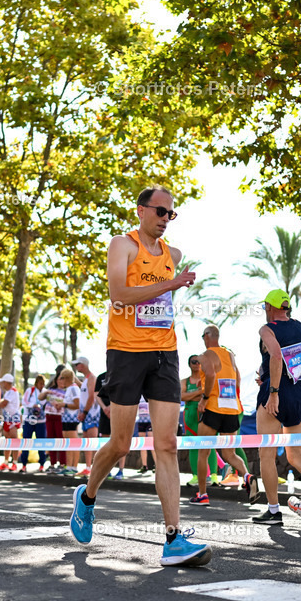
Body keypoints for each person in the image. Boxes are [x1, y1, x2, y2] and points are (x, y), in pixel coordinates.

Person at [70, 185, 211, 567]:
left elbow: (159, 301)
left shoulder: (174, 255)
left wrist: (171, 283)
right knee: (120, 444)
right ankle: (87, 496)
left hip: (165, 352)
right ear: (141, 210)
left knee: (167, 444)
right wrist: (173, 283)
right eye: (160, 212)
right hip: (126, 353)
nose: (165, 219)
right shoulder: (123, 245)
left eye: (171, 214)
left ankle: (173, 539)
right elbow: (119, 294)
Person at [241, 290, 301, 525]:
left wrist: (273, 391)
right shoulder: (298, 326)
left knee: (266, 454)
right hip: (299, 391)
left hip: (275, 394)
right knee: (295, 455)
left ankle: (274, 511)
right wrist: (265, 373)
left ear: (269, 306)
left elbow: (277, 356)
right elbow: (294, 357)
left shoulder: (266, 329)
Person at [190, 325, 256, 507]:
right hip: (232, 408)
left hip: (213, 408)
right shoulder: (229, 354)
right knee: (229, 453)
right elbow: (238, 377)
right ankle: (247, 476)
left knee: (203, 452)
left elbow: (210, 374)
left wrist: (204, 398)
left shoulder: (205, 355)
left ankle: (202, 495)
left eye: (203, 336)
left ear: (206, 337)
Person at [181, 355, 216, 486]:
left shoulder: (207, 378)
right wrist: (200, 392)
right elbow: (181, 396)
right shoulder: (185, 381)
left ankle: (213, 475)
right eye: (193, 362)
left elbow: (211, 393)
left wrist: (194, 395)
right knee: (193, 446)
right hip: (190, 414)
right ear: (189, 364)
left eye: (198, 361)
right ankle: (196, 475)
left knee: (209, 444)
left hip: (206, 412)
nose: (196, 364)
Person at [95, 371, 126, 480]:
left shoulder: (121, 375)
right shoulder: (101, 377)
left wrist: (112, 407)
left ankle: (120, 470)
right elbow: (96, 394)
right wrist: (104, 407)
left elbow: (124, 394)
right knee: (104, 441)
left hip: (119, 412)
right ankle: (106, 470)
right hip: (105, 414)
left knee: (122, 441)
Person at [73, 358, 99, 477]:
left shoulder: (92, 378)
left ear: (83, 365)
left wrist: (84, 412)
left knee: (93, 441)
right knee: (86, 441)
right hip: (85, 414)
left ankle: (95, 467)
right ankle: (88, 467)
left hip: (91, 414)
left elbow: (91, 397)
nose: (76, 366)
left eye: (78, 364)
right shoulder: (86, 379)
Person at [57, 368, 82, 475]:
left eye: (62, 378)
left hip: (72, 419)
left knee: (74, 442)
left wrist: (64, 405)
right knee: (68, 442)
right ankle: (69, 466)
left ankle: (74, 467)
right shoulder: (69, 389)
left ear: (66, 378)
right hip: (66, 418)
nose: (60, 380)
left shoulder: (74, 388)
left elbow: (77, 405)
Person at [19, 375, 47, 471]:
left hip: (41, 421)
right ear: (36, 383)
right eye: (40, 384)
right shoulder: (30, 391)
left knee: (41, 443)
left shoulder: (45, 392)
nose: (41, 386)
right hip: (29, 420)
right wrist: (33, 405)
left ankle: (42, 464)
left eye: (43, 384)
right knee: (26, 442)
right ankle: (23, 465)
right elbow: (24, 402)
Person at [40, 372, 66, 473]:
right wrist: (46, 393)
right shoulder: (50, 390)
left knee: (61, 439)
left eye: (63, 378)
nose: (61, 381)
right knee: (51, 439)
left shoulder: (66, 391)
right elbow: (40, 397)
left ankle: (63, 463)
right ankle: (52, 463)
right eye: (59, 378)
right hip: (49, 415)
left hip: (60, 417)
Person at [0, 373, 21, 471]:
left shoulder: (12, 391)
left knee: (14, 439)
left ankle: (14, 462)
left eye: (3, 382)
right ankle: (6, 462)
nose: (2, 384)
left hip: (13, 418)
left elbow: (4, 403)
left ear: (7, 382)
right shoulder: (8, 392)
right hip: (7, 418)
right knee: (7, 440)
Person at [136, 395, 155, 475]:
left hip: (150, 421)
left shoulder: (149, 392)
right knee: (142, 444)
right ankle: (144, 465)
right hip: (141, 420)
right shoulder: (138, 394)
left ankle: (157, 465)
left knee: (151, 443)